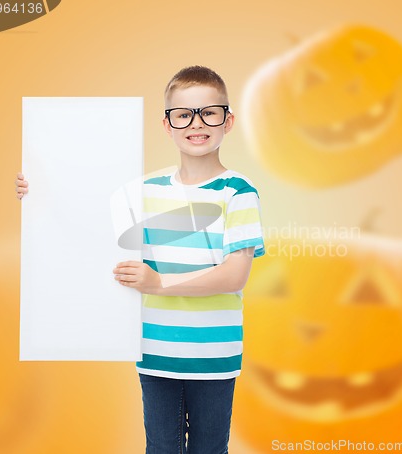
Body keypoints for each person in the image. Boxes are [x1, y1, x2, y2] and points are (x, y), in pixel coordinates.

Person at [16, 65, 265, 453]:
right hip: (154, 353)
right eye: (183, 115)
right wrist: (40, 193)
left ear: (227, 120)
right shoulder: (143, 191)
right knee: (161, 448)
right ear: (167, 125)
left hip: (214, 356)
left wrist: (159, 283)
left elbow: (235, 276)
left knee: (210, 448)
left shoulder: (238, 193)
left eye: (209, 112)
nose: (196, 124)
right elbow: (89, 229)